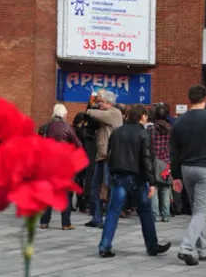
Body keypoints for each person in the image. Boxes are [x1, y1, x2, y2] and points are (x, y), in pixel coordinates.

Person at [98, 104, 171, 258]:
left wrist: (111, 173)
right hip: (136, 177)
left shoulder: (117, 132)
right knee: (145, 211)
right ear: (142, 116)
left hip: (118, 176)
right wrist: (151, 182)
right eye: (145, 116)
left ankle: (104, 246)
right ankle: (152, 246)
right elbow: (147, 160)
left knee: (113, 211)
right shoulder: (143, 134)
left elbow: (109, 153)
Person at [170, 85, 206, 266]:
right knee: (202, 211)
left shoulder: (179, 122)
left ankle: (204, 251)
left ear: (189, 99)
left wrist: (175, 175)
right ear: (205, 98)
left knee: (198, 211)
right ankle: (186, 248)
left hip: (186, 169)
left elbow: (174, 151)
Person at [40, 104, 83, 230]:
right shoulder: (67, 127)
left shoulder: (45, 128)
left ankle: (44, 221)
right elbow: (79, 145)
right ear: (63, 114)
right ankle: (65, 223)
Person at [85, 91, 124, 229]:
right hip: (101, 156)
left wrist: (90, 107)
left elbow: (93, 113)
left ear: (109, 103)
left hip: (109, 157)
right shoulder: (106, 115)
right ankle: (97, 218)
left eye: (101, 102)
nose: (99, 104)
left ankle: (108, 219)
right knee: (95, 187)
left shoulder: (114, 113)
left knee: (108, 188)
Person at [147, 104, 172, 222]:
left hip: (154, 161)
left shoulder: (151, 129)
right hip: (167, 162)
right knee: (166, 189)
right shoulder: (171, 129)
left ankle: (154, 215)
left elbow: (148, 145)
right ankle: (166, 215)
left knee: (154, 188)